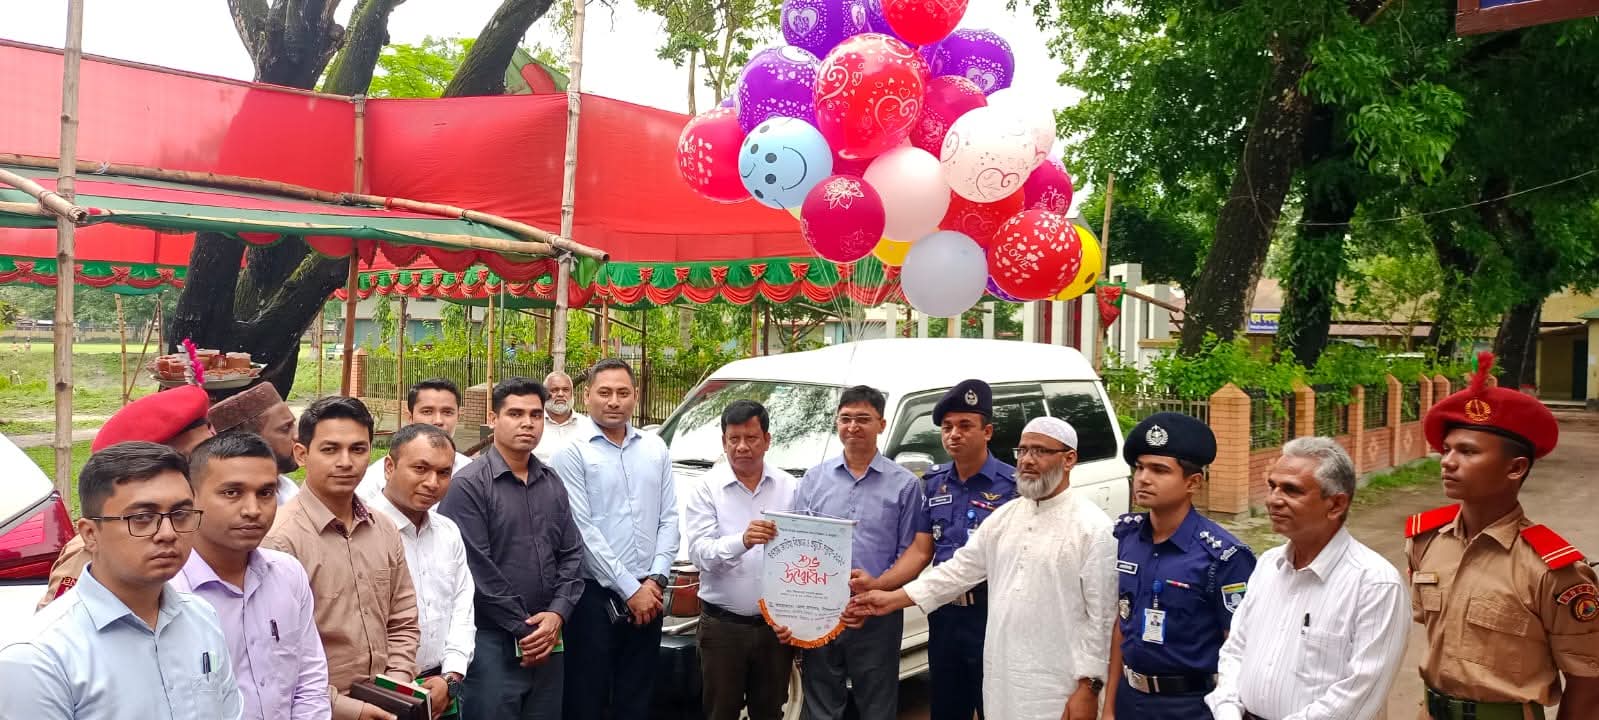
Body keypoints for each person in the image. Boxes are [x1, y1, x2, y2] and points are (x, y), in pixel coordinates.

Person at [851, 416, 1116, 720]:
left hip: (1057, 682)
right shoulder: (1005, 517)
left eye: (1040, 451)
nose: (1027, 460)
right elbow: (957, 572)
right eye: (1022, 451)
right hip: (1003, 675)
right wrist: (889, 599)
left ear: (1069, 459)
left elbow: (1102, 619)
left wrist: (1089, 686)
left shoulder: (1093, 528)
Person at [1405, 353, 1599, 719]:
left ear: (1515, 468)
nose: (1447, 461)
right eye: (1447, 449)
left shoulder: (1553, 571)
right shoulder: (1424, 542)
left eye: (1467, 451)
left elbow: (1588, 685)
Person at [0, 441, 244, 719]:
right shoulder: (39, 656)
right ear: (90, 534)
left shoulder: (201, 617)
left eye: (180, 515)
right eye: (142, 517)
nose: (168, 533)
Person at [1204, 437, 1408, 720]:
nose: (1273, 500)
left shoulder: (1375, 583)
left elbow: (1359, 693)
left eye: (1291, 490)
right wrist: (1227, 710)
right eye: (1272, 486)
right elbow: (1236, 649)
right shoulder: (1268, 565)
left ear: (1336, 504)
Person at [262, 396, 421, 720]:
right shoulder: (278, 540)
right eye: (330, 449)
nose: (346, 462)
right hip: (315, 710)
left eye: (358, 449)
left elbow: (403, 617)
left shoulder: (383, 528)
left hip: (388, 702)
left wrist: (396, 683)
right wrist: (350, 710)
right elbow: (276, 654)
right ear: (302, 454)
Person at [440, 377, 586, 720]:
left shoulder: (551, 482)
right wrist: (527, 629)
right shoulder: (468, 486)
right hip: (492, 641)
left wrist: (558, 614)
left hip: (549, 638)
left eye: (535, 415)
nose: (527, 423)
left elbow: (572, 553)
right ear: (493, 419)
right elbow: (476, 570)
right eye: (515, 414)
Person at [785, 385, 932, 720]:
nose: (853, 427)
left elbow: (912, 553)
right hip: (821, 612)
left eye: (863, 419)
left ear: (881, 424)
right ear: (837, 423)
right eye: (846, 418)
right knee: (820, 704)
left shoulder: (905, 485)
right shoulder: (814, 480)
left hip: (879, 612)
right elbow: (797, 544)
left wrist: (876, 589)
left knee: (877, 705)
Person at [551, 359, 679, 720]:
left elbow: (669, 518)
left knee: (637, 698)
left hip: (649, 596)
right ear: (586, 395)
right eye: (604, 392)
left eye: (623, 393)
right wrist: (630, 589)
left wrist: (655, 580)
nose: (614, 401)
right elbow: (582, 531)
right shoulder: (571, 453)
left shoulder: (655, 448)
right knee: (587, 700)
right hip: (593, 598)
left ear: (635, 395)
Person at [170, 431, 330, 720]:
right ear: (191, 499)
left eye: (266, 493)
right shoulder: (168, 592)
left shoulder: (287, 573)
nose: (253, 510)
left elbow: (310, 680)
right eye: (232, 493)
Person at [1106, 412, 1256, 719]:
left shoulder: (1223, 556)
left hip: (1190, 706)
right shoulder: (1127, 537)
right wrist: (1109, 707)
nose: (1144, 478)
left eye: (1159, 470)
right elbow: (1121, 624)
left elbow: (1239, 646)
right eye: (1140, 467)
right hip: (1130, 701)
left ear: (1193, 482)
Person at [39, 384, 213, 609]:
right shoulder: (98, 546)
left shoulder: (210, 520)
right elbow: (62, 620)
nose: (210, 468)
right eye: (193, 460)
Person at [684, 400, 799, 720]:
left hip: (775, 628)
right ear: (724, 442)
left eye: (751, 438)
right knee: (720, 711)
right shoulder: (706, 489)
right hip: (723, 627)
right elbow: (699, 553)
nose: (742, 447)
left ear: (767, 440)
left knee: (770, 711)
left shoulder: (790, 487)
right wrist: (742, 541)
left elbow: (802, 552)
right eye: (733, 439)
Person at [917, 380, 1017, 720]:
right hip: (945, 614)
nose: (954, 434)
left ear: (987, 431)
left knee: (994, 706)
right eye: (947, 427)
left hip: (992, 612)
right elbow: (921, 551)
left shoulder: (1013, 487)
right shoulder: (934, 483)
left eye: (965, 425)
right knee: (947, 707)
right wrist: (881, 587)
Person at [365, 423, 476, 720]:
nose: (432, 483)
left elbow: (462, 607)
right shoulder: (361, 532)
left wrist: (451, 678)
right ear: (389, 467)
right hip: (380, 694)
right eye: (420, 469)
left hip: (442, 687)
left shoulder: (448, 531)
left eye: (443, 472)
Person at [359, 378, 473, 496]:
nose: (438, 421)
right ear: (410, 417)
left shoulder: (472, 473)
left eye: (447, 412)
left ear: (458, 417)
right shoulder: (375, 479)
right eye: (427, 412)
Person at [208, 382, 303, 504]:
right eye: (286, 428)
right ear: (250, 442)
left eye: (293, 424)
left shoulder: (288, 487)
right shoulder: (236, 508)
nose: (297, 436)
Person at [534, 371, 584, 464]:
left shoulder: (586, 426)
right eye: (554, 390)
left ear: (572, 393)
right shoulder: (533, 424)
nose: (560, 394)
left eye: (565, 390)